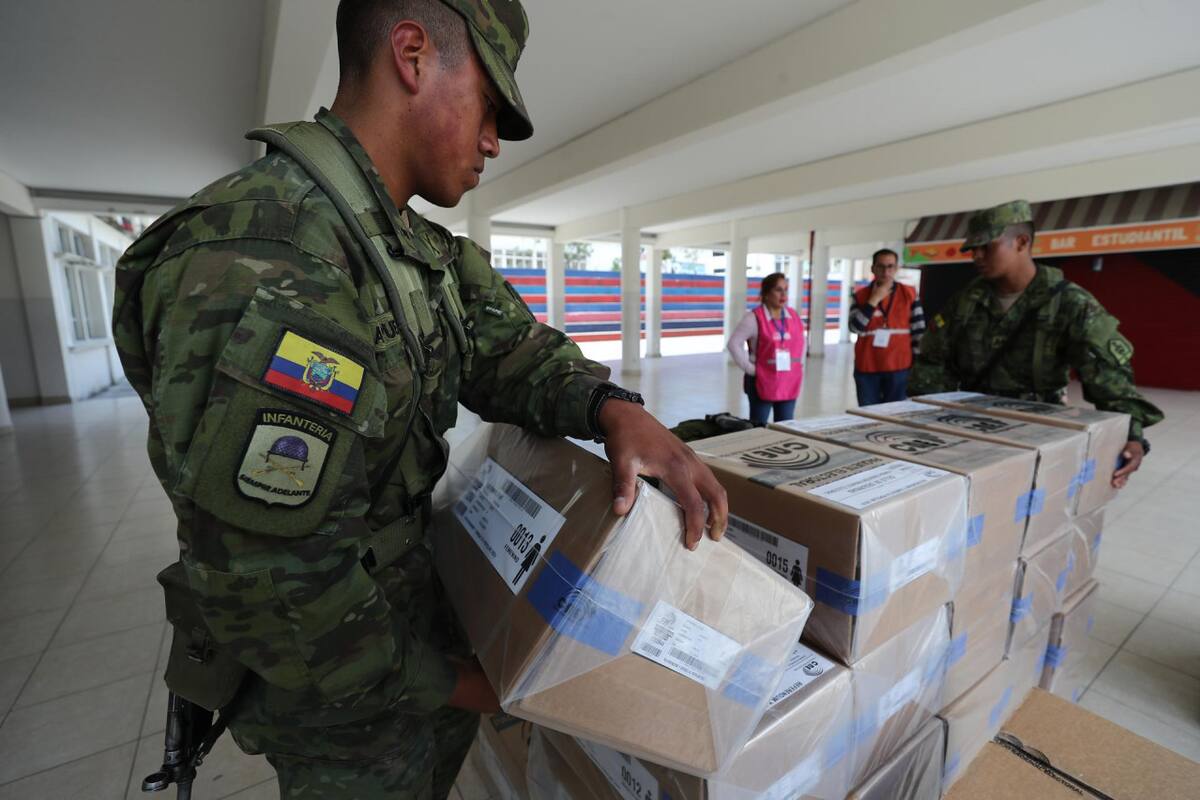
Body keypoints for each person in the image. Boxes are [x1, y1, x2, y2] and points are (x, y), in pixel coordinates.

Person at [111, 1, 728, 797]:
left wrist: (616, 411)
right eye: (490, 106)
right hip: (351, 712)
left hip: (418, 649)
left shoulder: (411, 251)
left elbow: (510, 350)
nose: (492, 141)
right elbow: (274, 590)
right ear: (411, 53)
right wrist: (478, 684)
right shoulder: (268, 258)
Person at [909, 200, 1163, 488]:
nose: (976, 256)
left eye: (986, 247)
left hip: (1041, 434)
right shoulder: (966, 302)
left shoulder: (1069, 303)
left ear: (1021, 242)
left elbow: (1107, 378)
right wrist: (922, 420)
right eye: (972, 249)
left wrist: (1131, 435)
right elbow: (934, 365)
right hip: (971, 430)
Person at [726, 272, 806, 424]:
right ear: (766, 294)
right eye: (778, 290)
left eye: (785, 289)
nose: (783, 294)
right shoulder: (754, 318)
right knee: (758, 428)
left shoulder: (793, 316)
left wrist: (798, 365)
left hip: (788, 380)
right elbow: (733, 344)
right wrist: (752, 370)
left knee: (786, 426)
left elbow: (801, 341)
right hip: (762, 381)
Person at [848, 248, 926, 405]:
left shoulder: (909, 294)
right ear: (873, 268)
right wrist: (874, 300)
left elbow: (919, 331)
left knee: (895, 416)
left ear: (896, 268)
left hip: (899, 367)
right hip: (867, 367)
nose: (886, 271)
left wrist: (917, 366)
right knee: (868, 416)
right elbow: (855, 328)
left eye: (890, 266)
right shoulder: (861, 296)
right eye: (881, 266)